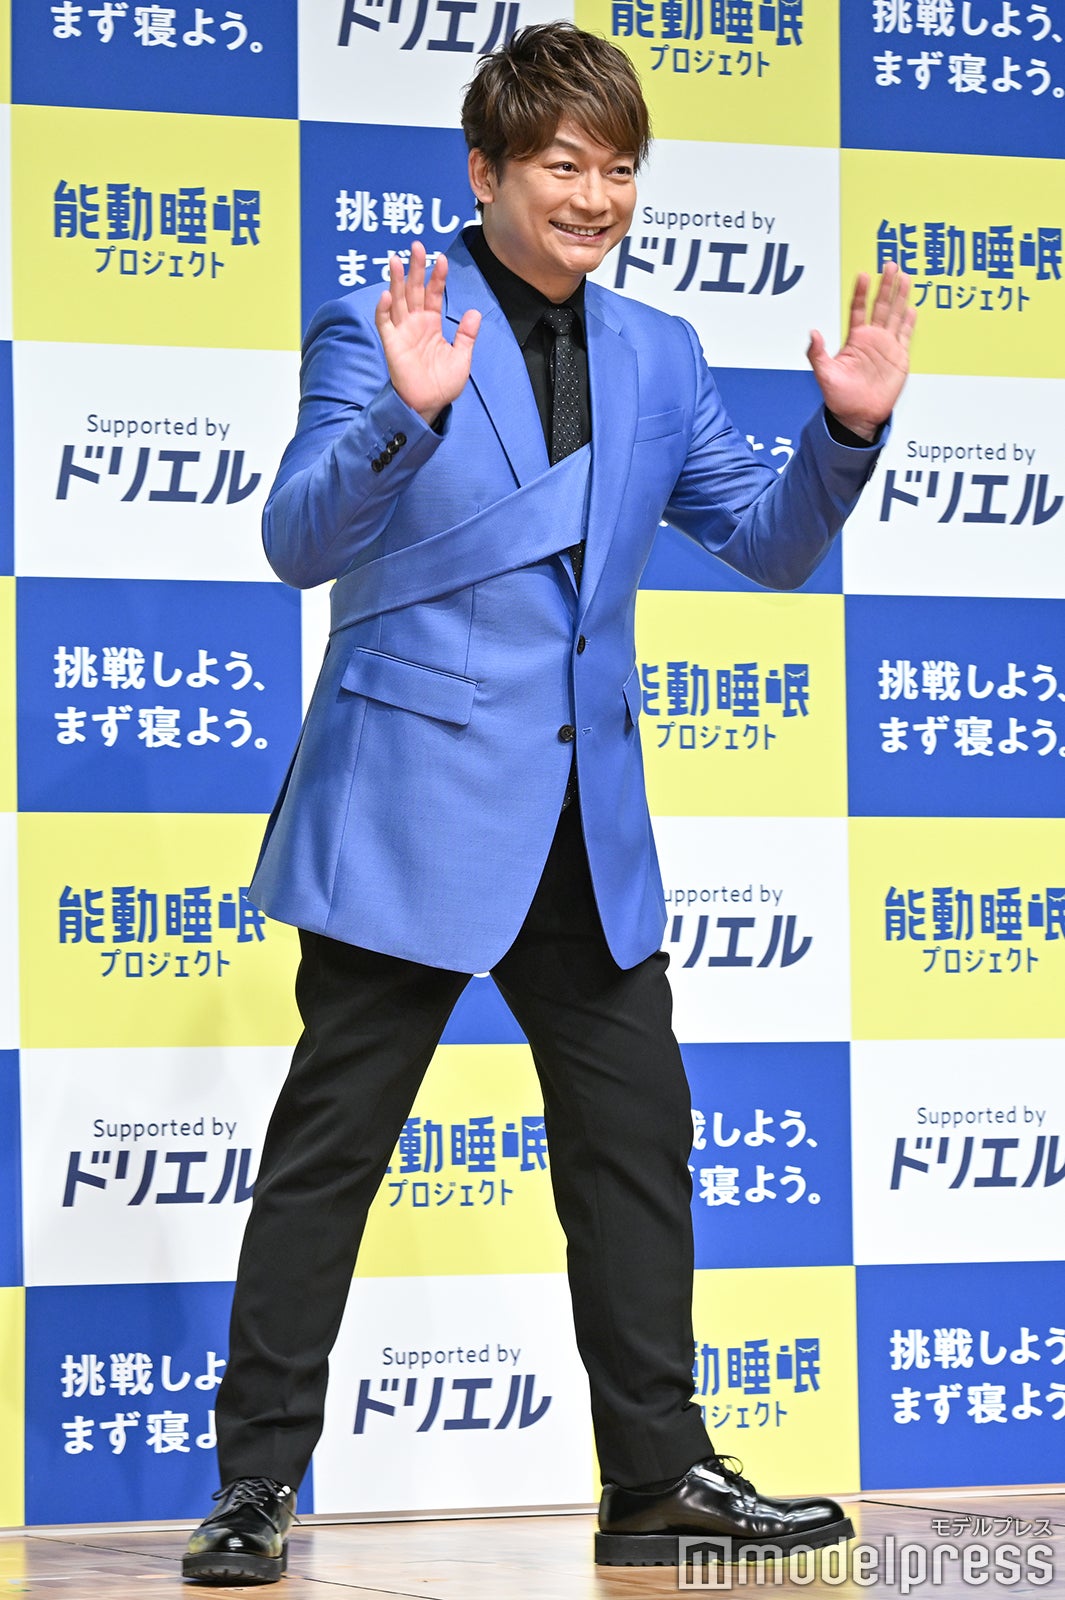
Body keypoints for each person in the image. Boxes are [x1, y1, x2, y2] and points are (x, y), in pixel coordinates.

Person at [182, 21, 914, 1586]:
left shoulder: (657, 350)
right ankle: (253, 1485)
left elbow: (766, 543)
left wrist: (844, 432)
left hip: (585, 818)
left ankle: (655, 1480)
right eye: (564, 166)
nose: (595, 198)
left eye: (619, 169)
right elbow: (297, 542)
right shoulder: (385, 321)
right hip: (409, 810)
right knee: (331, 1152)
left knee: (637, 1147)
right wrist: (406, 412)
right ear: (487, 171)